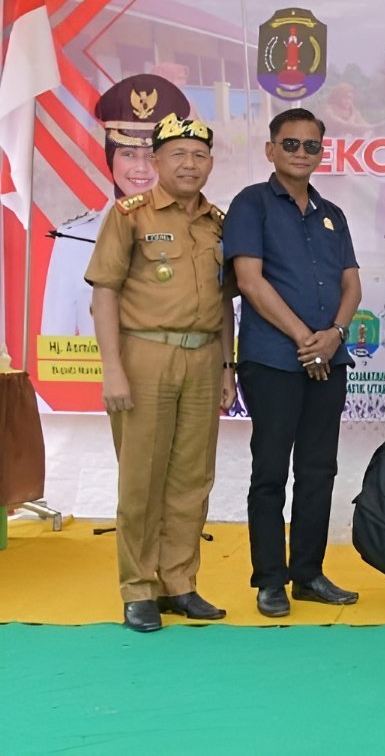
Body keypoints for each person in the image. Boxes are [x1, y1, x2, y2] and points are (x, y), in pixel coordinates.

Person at [84, 112, 236, 632]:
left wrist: (227, 366)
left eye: (199, 155)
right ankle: (138, 588)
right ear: (155, 161)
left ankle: (179, 582)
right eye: (178, 154)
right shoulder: (130, 214)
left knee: (192, 478)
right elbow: (105, 293)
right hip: (145, 355)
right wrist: (112, 368)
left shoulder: (217, 223)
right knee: (141, 478)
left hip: (203, 358)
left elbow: (223, 302)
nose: (190, 164)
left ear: (210, 163)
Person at [223, 107, 363, 618]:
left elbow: (352, 285)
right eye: (290, 144)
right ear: (270, 149)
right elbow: (249, 280)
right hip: (273, 361)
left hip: (330, 357)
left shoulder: (332, 214)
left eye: (311, 146)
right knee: (270, 471)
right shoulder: (251, 203)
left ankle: (307, 573)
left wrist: (335, 336)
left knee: (319, 470)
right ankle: (270, 580)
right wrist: (307, 340)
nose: (301, 153)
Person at [43, 74, 190, 335]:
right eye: (128, 154)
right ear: (110, 158)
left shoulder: (200, 234)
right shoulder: (73, 240)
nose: (141, 168)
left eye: (152, 156)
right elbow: (55, 342)